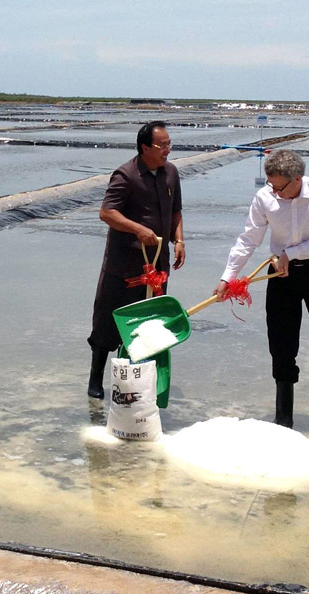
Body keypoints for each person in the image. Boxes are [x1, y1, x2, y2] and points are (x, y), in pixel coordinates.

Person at [213, 149, 309, 438]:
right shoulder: (265, 198)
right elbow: (248, 240)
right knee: (282, 346)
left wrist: (292, 253)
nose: (274, 192)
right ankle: (284, 419)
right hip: (280, 277)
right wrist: (228, 277)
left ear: (297, 179)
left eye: (279, 186)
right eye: (270, 185)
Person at [87, 121, 185, 399]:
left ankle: (139, 381)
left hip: (157, 265)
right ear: (145, 148)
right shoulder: (126, 175)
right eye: (162, 145)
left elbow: (176, 211)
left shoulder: (171, 173)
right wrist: (138, 229)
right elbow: (107, 213)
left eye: (169, 144)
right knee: (107, 321)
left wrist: (179, 240)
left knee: (150, 324)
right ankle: (96, 380)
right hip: (124, 266)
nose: (167, 150)